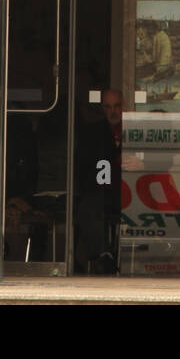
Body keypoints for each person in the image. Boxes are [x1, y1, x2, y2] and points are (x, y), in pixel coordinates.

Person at [75, 87, 124, 273]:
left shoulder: (135, 131)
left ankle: (117, 256)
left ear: (124, 106)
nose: (113, 111)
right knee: (88, 206)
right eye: (108, 106)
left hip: (131, 193)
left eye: (117, 106)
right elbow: (83, 167)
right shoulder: (93, 133)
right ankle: (104, 256)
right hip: (102, 193)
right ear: (102, 109)